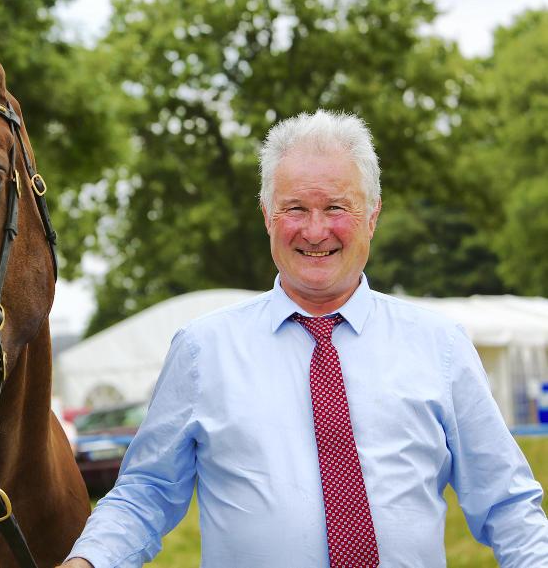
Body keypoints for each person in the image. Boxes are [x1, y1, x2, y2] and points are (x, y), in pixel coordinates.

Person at [57, 110, 548, 568]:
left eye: (337, 206)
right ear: (268, 215)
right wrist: (90, 560)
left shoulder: (440, 347)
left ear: (372, 215)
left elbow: (506, 504)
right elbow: (146, 492)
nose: (316, 231)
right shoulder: (201, 351)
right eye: (295, 208)